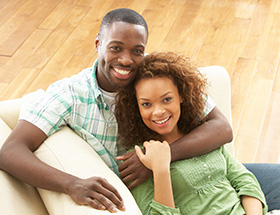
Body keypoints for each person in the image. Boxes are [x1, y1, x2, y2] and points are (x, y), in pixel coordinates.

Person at [0, 7, 278, 213]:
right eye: (115, 48)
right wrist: (72, 184)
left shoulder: (151, 79)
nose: (126, 60)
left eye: (137, 50)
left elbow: (222, 128)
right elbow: (10, 152)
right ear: (98, 44)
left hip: (207, 169)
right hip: (174, 192)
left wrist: (161, 158)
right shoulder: (70, 96)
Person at [115, 51, 268, 214]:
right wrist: (160, 169)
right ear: (136, 108)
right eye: (146, 104)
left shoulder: (201, 133)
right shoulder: (138, 158)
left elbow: (246, 181)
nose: (158, 111)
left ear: (181, 96)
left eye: (167, 99)